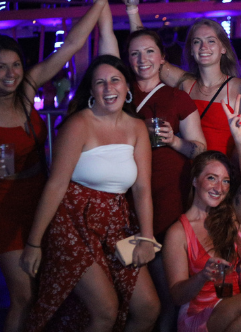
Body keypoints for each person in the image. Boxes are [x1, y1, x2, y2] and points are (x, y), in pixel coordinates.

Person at [0, 0, 123, 332]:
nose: (10, 73)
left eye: (15, 65)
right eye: (0, 67)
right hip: (6, 205)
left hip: (44, 198)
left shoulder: (27, 90)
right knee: (23, 296)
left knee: (50, 291)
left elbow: (73, 44)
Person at [90, 0, 207, 332]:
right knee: (129, 296)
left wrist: (175, 141)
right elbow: (104, 28)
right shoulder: (119, 92)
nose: (141, 59)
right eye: (134, 53)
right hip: (124, 213)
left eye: (149, 53)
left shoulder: (178, 98)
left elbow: (200, 149)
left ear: (161, 58)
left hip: (169, 211)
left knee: (165, 297)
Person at [20, 56, 160, 332]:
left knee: (148, 308)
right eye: (100, 82)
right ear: (92, 91)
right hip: (72, 220)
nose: (109, 88)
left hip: (116, 222)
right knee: (105, 310)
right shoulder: (78, 124)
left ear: (126, 87)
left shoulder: (137, 128)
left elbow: (142, 188)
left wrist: (146, 237)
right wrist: (34, 243)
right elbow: (56, 185)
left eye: (115, 80)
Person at [163, 95, 241, 332]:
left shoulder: (231, 217)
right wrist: (202, 276)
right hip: (200, 315)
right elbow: (176, 295)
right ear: (195, 181)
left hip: (239, 311)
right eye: (211, 178)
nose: (219, 187)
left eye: (225, 181)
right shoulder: (178, 232)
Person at [120, 0, 241, 158]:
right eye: (197, 42)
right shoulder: (187, 84)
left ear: (223, 48)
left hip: (224, 176)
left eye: (211, 41)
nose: (204, 47)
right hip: (190, 175)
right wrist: (132, 9)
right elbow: (147, 50)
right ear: (191, 49)